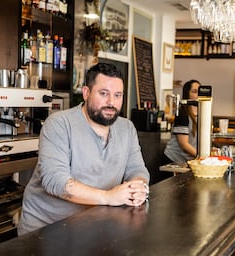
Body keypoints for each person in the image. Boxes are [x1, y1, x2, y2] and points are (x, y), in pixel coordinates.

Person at [18, 63, 150, 235]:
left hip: (93, 226)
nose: (111, 102)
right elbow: (55, 181)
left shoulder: (126, 128)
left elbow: (137, 169)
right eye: (104, 94)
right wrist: (108, 197)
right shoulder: (59, 124)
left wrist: (138, 188)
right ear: (87, 93)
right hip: (46, 231)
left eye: (118, 95)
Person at [164, 79, 201, 164]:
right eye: (195, 91)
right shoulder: (183, 113)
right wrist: (201, 157)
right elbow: (184, 144)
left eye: (199, 91)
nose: (198, 95)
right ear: (187, 94)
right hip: (174, 159)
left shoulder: (202, 114)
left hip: (188, 160)